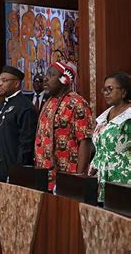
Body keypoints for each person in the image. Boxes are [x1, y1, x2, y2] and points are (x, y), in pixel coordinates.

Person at [34, 61, 94, 191]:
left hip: (67, 177)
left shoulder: (78, 103)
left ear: (64, 79)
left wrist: (78, 178)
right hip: (44, 175)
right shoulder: (48, 102)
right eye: (46, 74)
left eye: (51, 74)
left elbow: (85, 142)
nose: (45, 78)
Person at [0, 66, 38, 181]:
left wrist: (17, 172)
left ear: (16, 84)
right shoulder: (0, 106)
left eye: (4, 81)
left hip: (13, 171)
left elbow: (26, 144)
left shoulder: (25, 107)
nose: (0, 84)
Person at [88, 72, 131, 202]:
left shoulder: (129, 116)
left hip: (122, 179)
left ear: (123, 92)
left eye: (110, 89)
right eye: (104, 89)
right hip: (99, 177)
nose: (106, 93)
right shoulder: (105, 115)